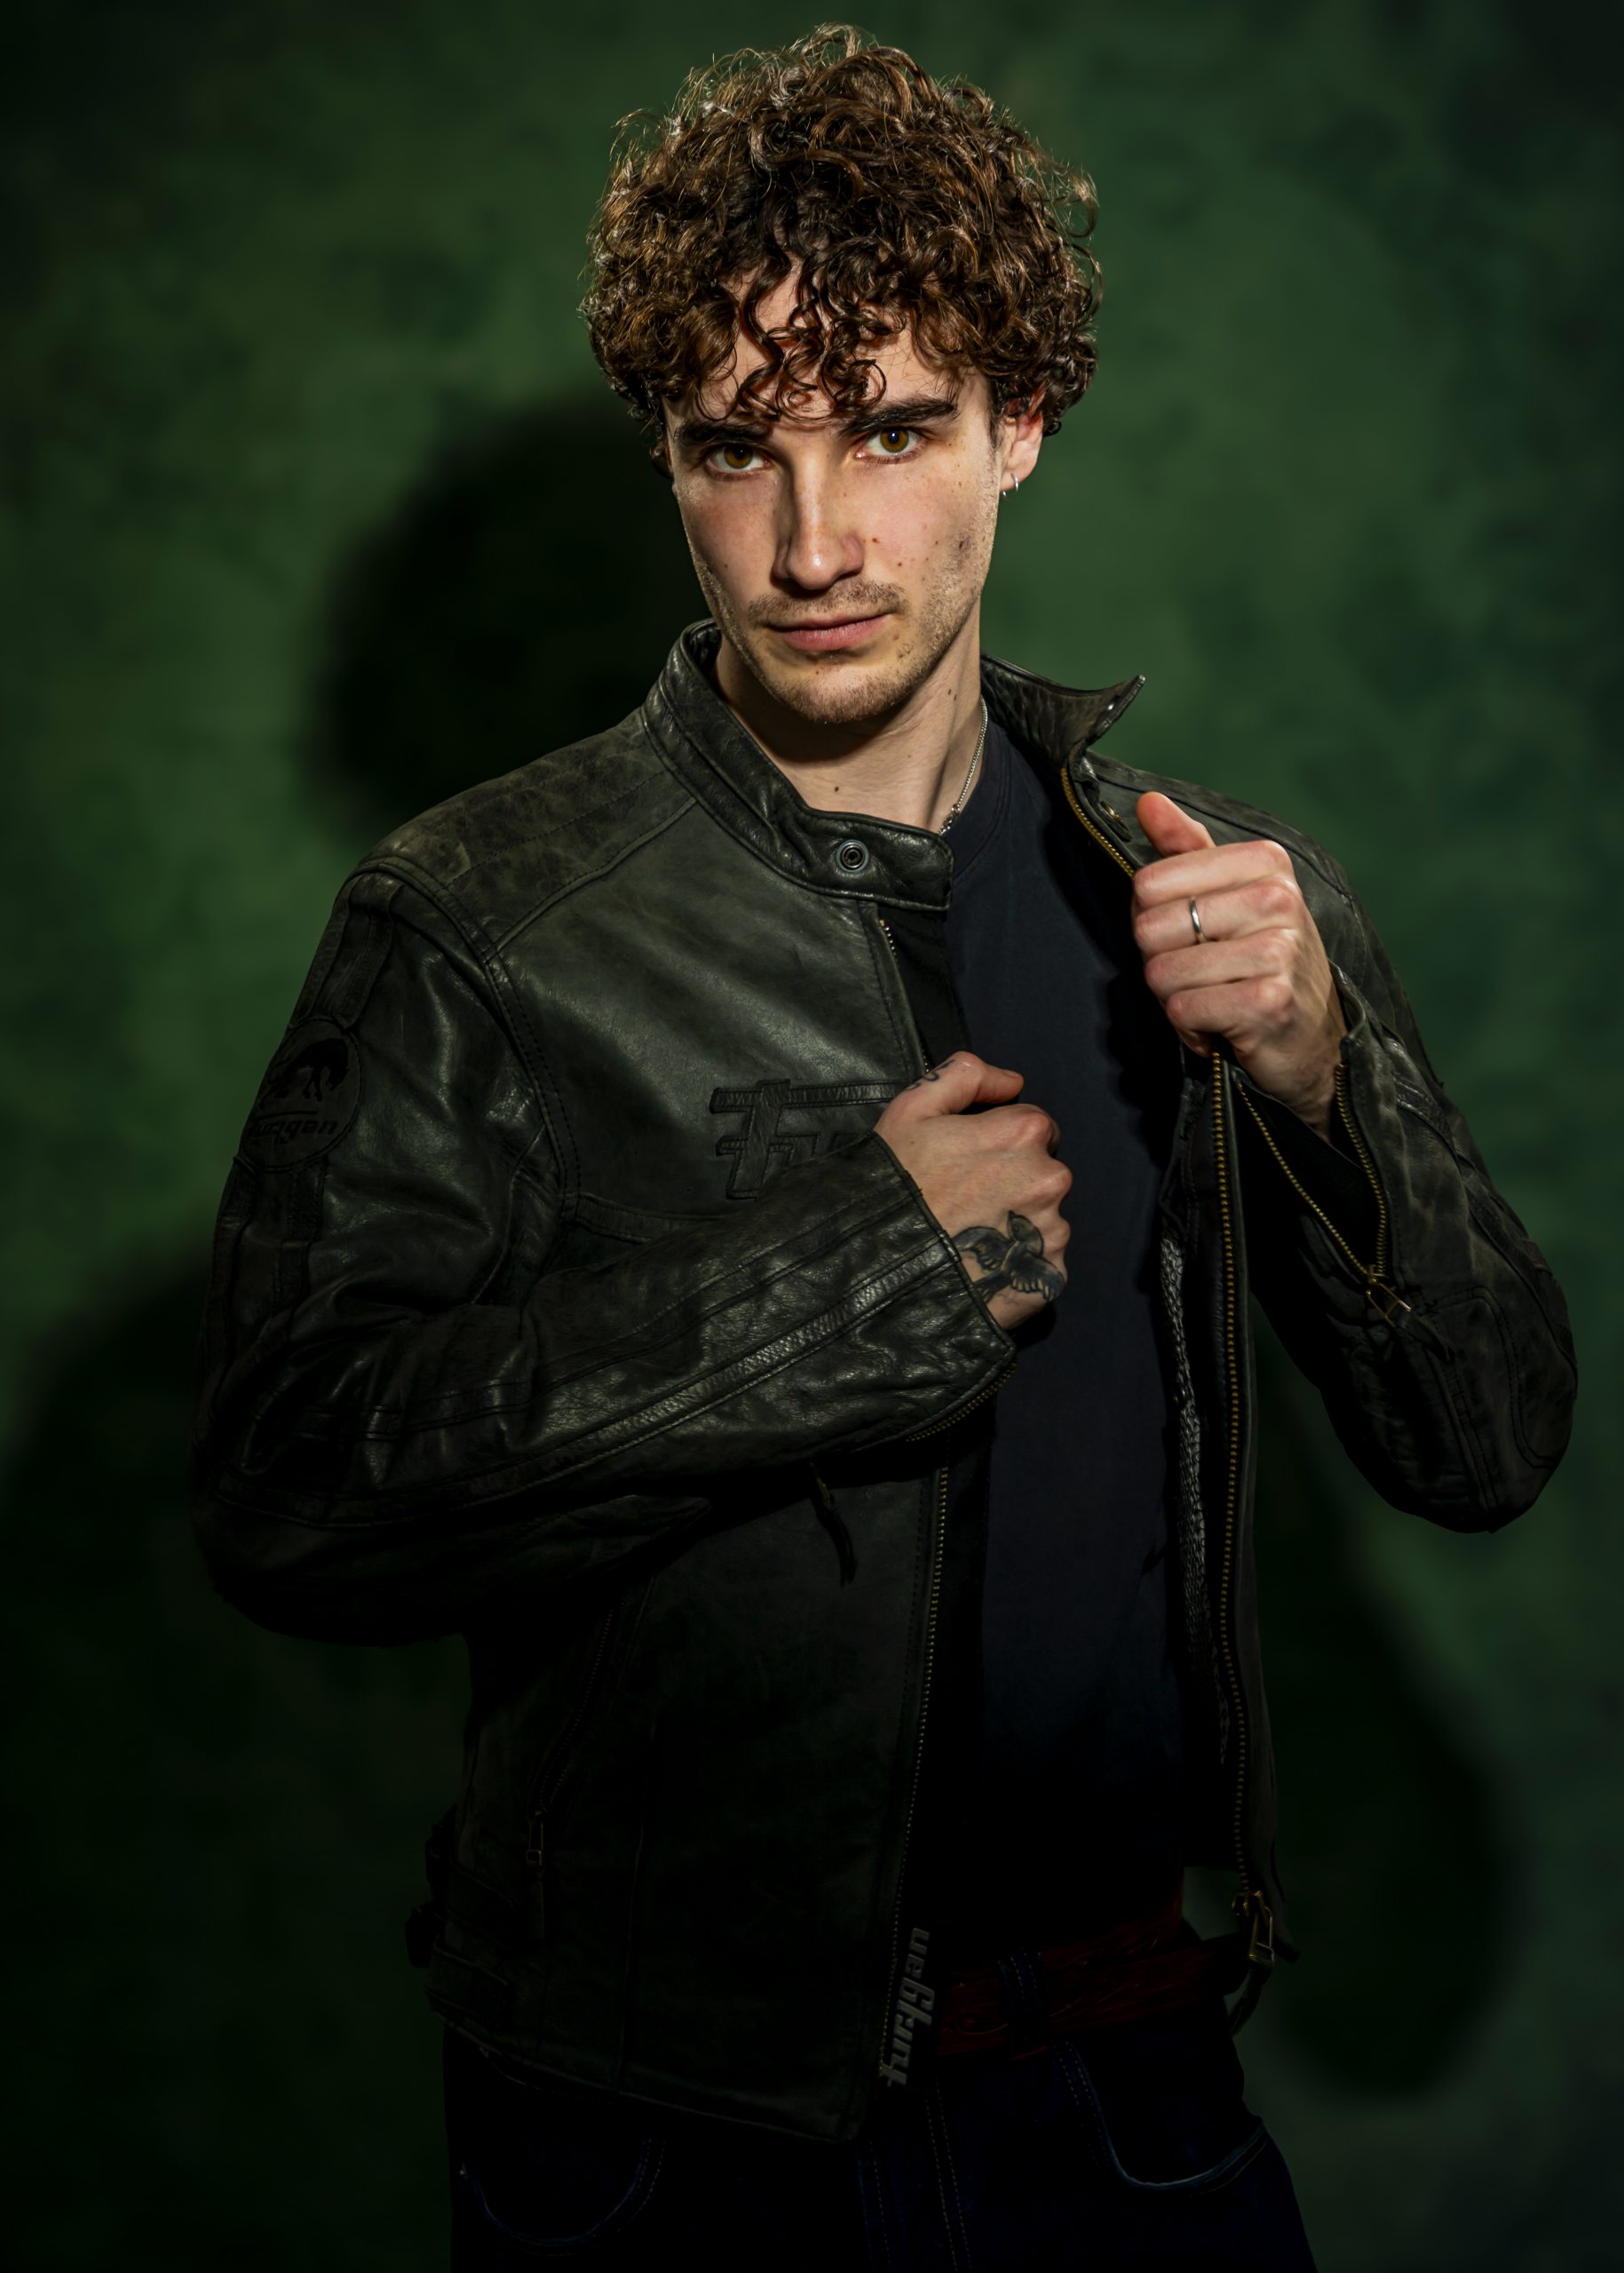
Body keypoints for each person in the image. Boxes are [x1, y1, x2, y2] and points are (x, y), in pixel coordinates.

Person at [187, 26, 1575, 2269]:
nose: (815, 541)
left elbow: (1492, 1437)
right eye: (740, 451)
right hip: (662, 2131)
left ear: (1023, 425)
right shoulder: (479, 915)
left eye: (896, 432)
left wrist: (1332, 1076)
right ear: (668, 455)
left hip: (1132, 2083)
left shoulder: (1202, 894)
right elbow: (284, 1483)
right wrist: (833, 1283)